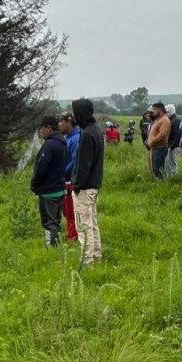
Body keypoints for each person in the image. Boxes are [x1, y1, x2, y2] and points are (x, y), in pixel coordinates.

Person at [71, 98, 104, 266]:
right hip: (94, 184)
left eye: (75, 112)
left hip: (84, 187)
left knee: (84, 226)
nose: (74, 117)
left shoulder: (86, 134)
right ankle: (96, 256)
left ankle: (87, 262)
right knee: (92, 223)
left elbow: (84, 164)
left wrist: (76, 185)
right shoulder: (96, 130)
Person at [30, 116, 69, 248]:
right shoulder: (63, 142)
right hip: (59, 188)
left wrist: (34, 184)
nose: (41, 131)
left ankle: (52, 248)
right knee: (56, 220)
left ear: (49, 128)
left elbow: (42, 167)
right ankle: (54, 245)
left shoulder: (50, 144)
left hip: (48, 191)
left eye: (42, 128)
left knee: (50, 222)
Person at [58, 111, 80, 243]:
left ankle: (72, 238)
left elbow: (74, 161)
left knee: (71, 211)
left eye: (62, 121)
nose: (59, 124)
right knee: (67, 211)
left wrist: (61, 173)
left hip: (70, 180)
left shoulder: (76, 138)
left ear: (69, 122)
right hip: (65, 179)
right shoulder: (68, 137)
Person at [146, 102, 171, 179]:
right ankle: (157, 184)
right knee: (155, 169)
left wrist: (151, 141)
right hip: (155, 148)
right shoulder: (157, 119)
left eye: (154, 109)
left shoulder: (165, 120)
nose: (153, 111)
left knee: (158, 169)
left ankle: (161, 186)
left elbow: (162, 135)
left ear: (160, 109)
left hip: (160, 148)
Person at [165, 104, 182, 177]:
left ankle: (174, 177)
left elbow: (178, 134)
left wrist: (172, 146)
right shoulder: (172, 119)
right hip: (171, 145)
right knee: (169, 162)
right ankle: (170, 177)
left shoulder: (176, 120)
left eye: (166, 112)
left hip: (174, 146)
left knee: (172, 163)